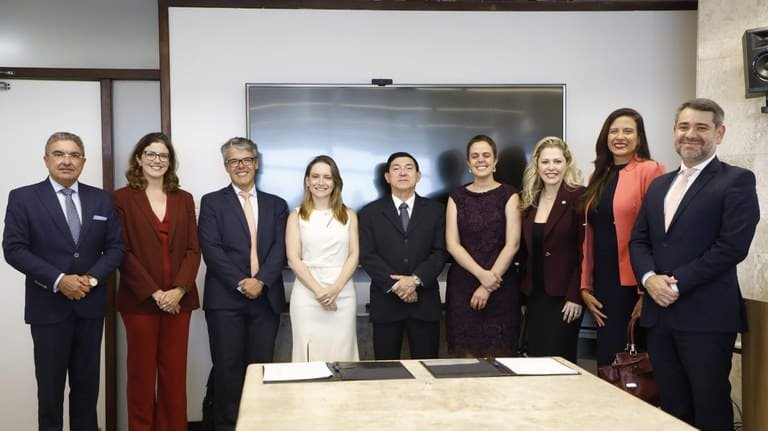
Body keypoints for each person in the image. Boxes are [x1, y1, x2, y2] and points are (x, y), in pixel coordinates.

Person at [630, 98, 759, 430]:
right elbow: (639, 240)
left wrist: (675, 284)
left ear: (720, 133)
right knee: (672, 406)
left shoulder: (737, 180)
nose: (691, 134)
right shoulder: (659, 185)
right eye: (684, 126)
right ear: (674, 131)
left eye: (702, 127)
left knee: (709, 405)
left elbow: (731, 247)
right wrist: (649, 278)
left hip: (706, 316)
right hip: (659, 316)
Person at [2, 132, 125, 431]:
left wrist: (91, 279)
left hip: (90, 307)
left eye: (74, 155)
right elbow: (14, 249)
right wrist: (59, 280)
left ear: (83, 161)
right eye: (59, 154)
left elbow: (116, 248)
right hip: (48, 309)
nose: (66, 160)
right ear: (46, 159)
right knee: (50, 392)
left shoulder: (101, 199)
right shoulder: (23, 197)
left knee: (87, 391)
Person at [198, 137, 288, 431]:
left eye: (246, 159)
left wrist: (260, 281)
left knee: (260, 370)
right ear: (226, 166)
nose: (241, 166)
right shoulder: (212, 202)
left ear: (256, 163)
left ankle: (258, 425)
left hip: (266, 299)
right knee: (227, 370)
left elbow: (280, 249)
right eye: (233, 161)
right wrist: (241, 282)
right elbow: (211, 249)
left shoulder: (277, 205)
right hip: (225, 300)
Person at [112, 132, 200, 431]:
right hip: (140, 301)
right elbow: (121, 250)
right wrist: (155, 293)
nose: (157, 160)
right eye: (150, 153)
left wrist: (178, 290)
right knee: (141, 374)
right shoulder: (121, 198)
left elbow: (193, 249)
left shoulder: (184, 198)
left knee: (174, 375)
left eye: (163, 155)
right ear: (139, 158)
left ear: (170, 161)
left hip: (179, 301)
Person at [579, 108, 666, 367]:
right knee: (607, 361)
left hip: (634, 283)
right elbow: (590, 233)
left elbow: (658, 233)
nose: (620, 137)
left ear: (639, 138)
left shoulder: (650, 170)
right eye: (614, 131)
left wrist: (645, 292)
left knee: (633, 366)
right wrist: (585, 286)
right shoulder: (597, 175)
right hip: (603, 284)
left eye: (628, 131)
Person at [359, 152, 449, 360]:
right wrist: (398, 285)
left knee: (428, 368)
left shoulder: (436, 211)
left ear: (418, 175)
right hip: (386, 303)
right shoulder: (370, 212)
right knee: (386, 369)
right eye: (396, 168)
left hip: (424, 302)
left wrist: (415, 280)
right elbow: (367, 254)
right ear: (387, 177)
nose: (402, 172)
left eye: (409, 168)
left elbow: (441, 250)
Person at [445, 135, 521, 357]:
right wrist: (482, 276)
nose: (481, 160)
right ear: (468, 163)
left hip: (501, 284)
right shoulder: (456, 197)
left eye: (486, 155)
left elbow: (513, 244)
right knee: (465, 358)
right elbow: (452, 244)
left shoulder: (510, 195)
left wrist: (488, 285)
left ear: (495, 161)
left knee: (500, 358)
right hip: (463, 286)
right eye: (475, 156)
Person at [286, 155, 359, 361]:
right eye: (315, 176)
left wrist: (335, 289)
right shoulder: (296, 216)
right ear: (307, 181)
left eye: (327, 177)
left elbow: (354, 254)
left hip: (342, 293)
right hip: (307, 295)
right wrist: (320, 292)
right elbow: (293, 259)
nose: (321, 182)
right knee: (308, 355)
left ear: (335, 182)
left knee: (343, 354)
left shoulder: (349, 214)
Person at [518, 137, 585, 363]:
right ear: (537, 165)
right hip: (535, 297)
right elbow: (526, 253)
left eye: (557, 161)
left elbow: (584, 252)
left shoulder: (579, 197)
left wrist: (575, 296)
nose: (551, 168)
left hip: (565, 299)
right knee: (537, 362)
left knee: (560, 362)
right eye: (545, 162)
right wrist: (523, 297)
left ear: (567, 163)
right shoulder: (530, 200)